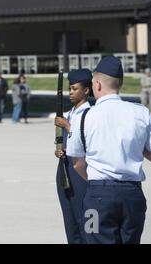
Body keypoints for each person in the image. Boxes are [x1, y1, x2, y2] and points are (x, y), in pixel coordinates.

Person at [66, 56, 151, 244]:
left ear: (96, 84)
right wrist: (136, 145)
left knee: (93, 239)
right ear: (118, 84)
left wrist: (96, 182)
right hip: (132, 196)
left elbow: (77, 162)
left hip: (96, 197)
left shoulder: (84, 116)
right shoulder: (141, 112)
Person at [53, 68, 92, 244]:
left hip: (82, 170)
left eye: (74, 88)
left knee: (85, 219)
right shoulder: (70, 113)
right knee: (69, 221)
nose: (70, 93)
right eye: (69, 88)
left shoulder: (90, 114)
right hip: (65, 167)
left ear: (86, 90)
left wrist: (68, 126)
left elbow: (87, 140)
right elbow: (64, 141)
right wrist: (60, 150)